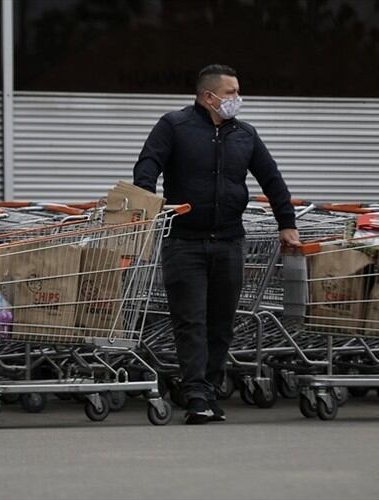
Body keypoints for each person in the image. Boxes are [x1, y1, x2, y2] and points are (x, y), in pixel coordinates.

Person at [133, 64, 300, 424]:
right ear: (208, 96)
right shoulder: (174, 126)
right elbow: (147, 166)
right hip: (184, 242)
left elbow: (272, 179)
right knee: (190, 320)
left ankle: (208, 387)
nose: (237, 99)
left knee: (221, 322)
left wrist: (287, 223)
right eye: (231, 93)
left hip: (229, 241)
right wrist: (147, 203)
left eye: (238, 92)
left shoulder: (245, 135)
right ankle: (195, 395)